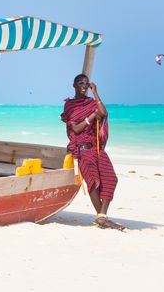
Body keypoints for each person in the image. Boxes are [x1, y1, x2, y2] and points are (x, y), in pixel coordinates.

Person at [61, 74, 125, 231]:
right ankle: (102, 218)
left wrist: (95, 93)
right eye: (80, 83)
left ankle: (101, 216)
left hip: (96, 148)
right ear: (74, 85)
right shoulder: (70, 106)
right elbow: (75, 129)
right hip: (82, 150)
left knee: (111, 179)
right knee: (93, 183)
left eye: (86, 83)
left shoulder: (91, 102)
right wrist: (90, 117)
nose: (84, 85)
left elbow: (103, 112)